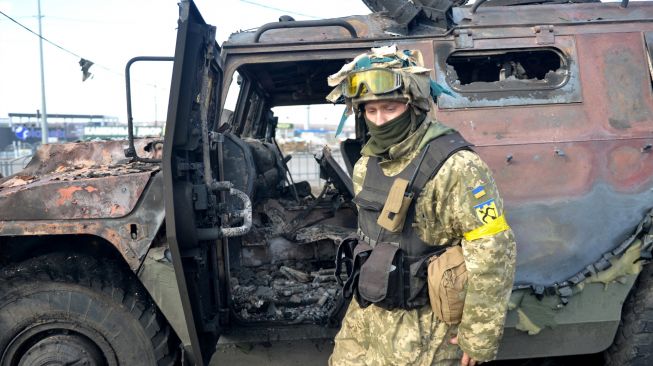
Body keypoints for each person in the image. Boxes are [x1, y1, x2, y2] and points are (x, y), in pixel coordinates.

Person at [326, 45, 517, 366]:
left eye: (389, 108)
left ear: (413, 106)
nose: (380, 120)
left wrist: (479, 335)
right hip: (368, 315)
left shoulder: (457, 166)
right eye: (371, 111)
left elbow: (493, 249)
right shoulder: (366, 164)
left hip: (426, 324)